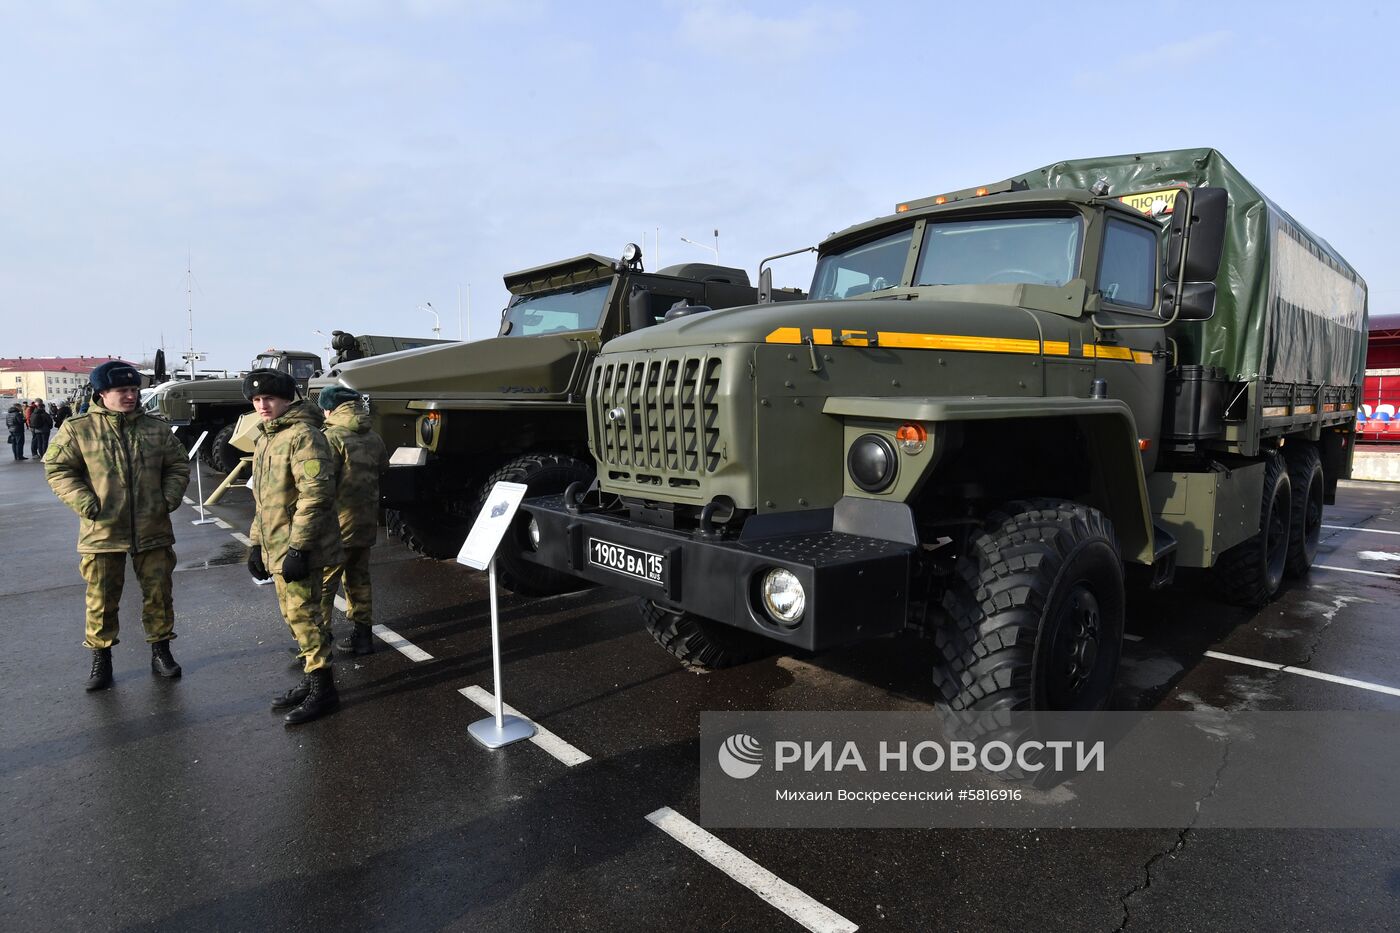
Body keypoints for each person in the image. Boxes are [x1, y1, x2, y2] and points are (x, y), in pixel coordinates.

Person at [43, 362, 190, 690]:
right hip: (103, 531)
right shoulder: (78, 429)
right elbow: (57, 469)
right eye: (122, 391)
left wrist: (168, 499)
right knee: (101, 597)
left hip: (153, 528)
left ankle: (161, 651)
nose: (130, 396)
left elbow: (178, 464)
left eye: (134, 390)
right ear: (102, 394)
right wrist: (85, 503)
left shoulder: (155, 428)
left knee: (159, 594)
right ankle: (101, 658)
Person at [243, 369, 344, 725]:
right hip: (276, 547)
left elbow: (314, 495)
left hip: (303, 547)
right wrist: (256, 545)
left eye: (269, 398)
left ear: (288, 399)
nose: (262, 405)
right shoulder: (267, 439)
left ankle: (324, 690)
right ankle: (311, 678)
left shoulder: (304, 436)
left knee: (306, 617)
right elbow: (263, 500)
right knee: (293, 617)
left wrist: (299, 549)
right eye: (256, 400)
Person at [316, 385, 390, 656]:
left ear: (329, 409)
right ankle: (363, 636)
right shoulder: (374, 436)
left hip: (336, 522)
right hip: (365, 520)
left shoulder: (330, 437)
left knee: (324, 584)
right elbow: (383, 467)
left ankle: (318, 643)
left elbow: (321, 481)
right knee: (359, 578)